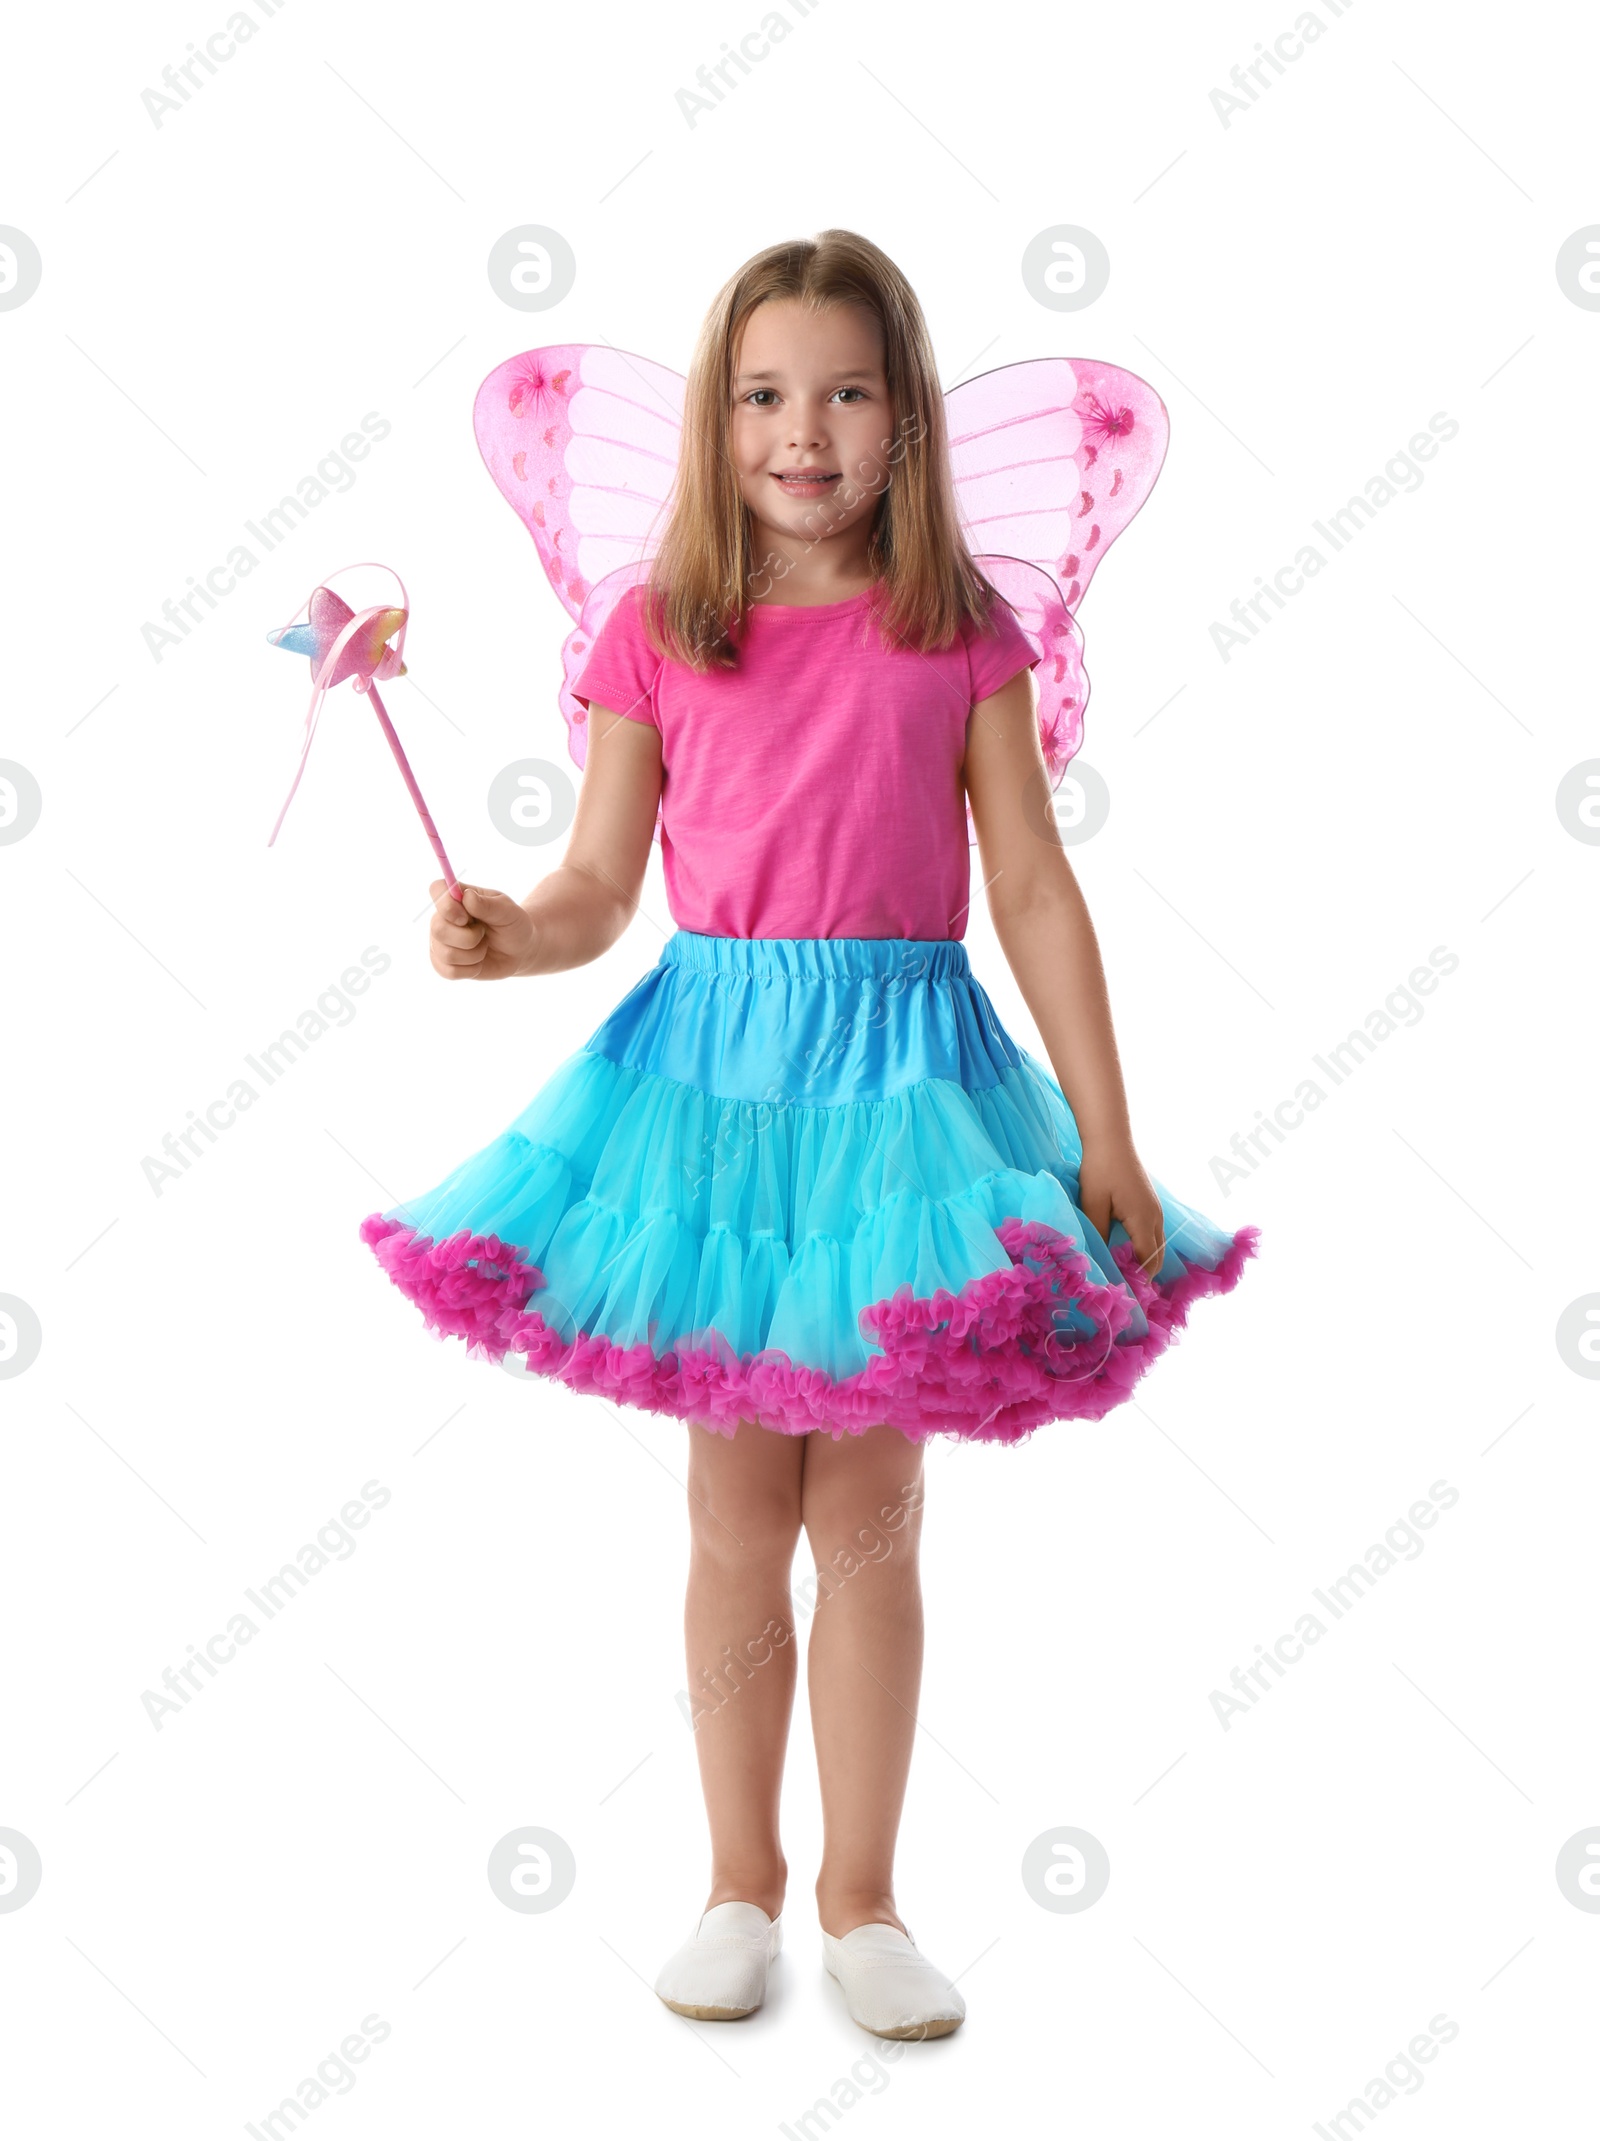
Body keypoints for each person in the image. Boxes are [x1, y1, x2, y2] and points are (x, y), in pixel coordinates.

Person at [362, 229, 1257, 2040]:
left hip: (906, 1089)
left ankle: (863, 1897)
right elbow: (601, 880)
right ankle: (734, 1884)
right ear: (713, 423)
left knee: (868, 1507)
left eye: (849, 391)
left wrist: (1104, 1121)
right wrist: (510, 936)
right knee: (728, 1506)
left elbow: (1031, 880)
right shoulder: (662, 627)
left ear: (907, 424)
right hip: (708, 1086)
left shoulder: (956, 634)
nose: (805, 429)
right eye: (766, 393)